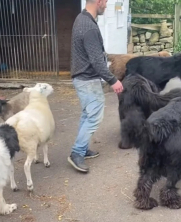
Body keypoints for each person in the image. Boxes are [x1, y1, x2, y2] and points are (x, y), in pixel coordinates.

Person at [68, 0, 123, 173]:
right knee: (94, 118)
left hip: (82, 78)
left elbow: (95, 53)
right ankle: (77, 153)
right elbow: (97, 61)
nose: (106, 6)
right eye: (105, 2)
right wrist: (113, 81)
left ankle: (82, 148)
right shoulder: (89, 26)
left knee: (87, 115)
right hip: (87, 80)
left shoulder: (81, 19)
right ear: (98, 1)